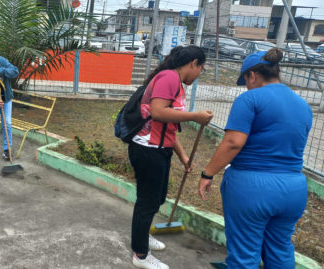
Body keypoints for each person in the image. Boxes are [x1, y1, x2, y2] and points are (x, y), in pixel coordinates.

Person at [198, 48, 312, 269]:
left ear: (253, 75)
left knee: (244, 254)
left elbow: (233, 143)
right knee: (280, 247)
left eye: (246, 80)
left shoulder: (250, 99)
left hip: (253, 187)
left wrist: (207, 173)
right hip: (294, 188)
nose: (247, 86)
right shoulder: (303, 105)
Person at [129, 46, 213, 269]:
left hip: (160, 148)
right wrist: (195, 116)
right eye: (201, 69)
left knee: (156, 198)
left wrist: (183, 156)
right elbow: (157, 112)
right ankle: (140, 255)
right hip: (148, 150)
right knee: (147, 202)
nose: (199, 75)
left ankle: (143, 237)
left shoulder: (175, 82)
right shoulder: (169, 77)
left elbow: (167, 126)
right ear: (194, 63)